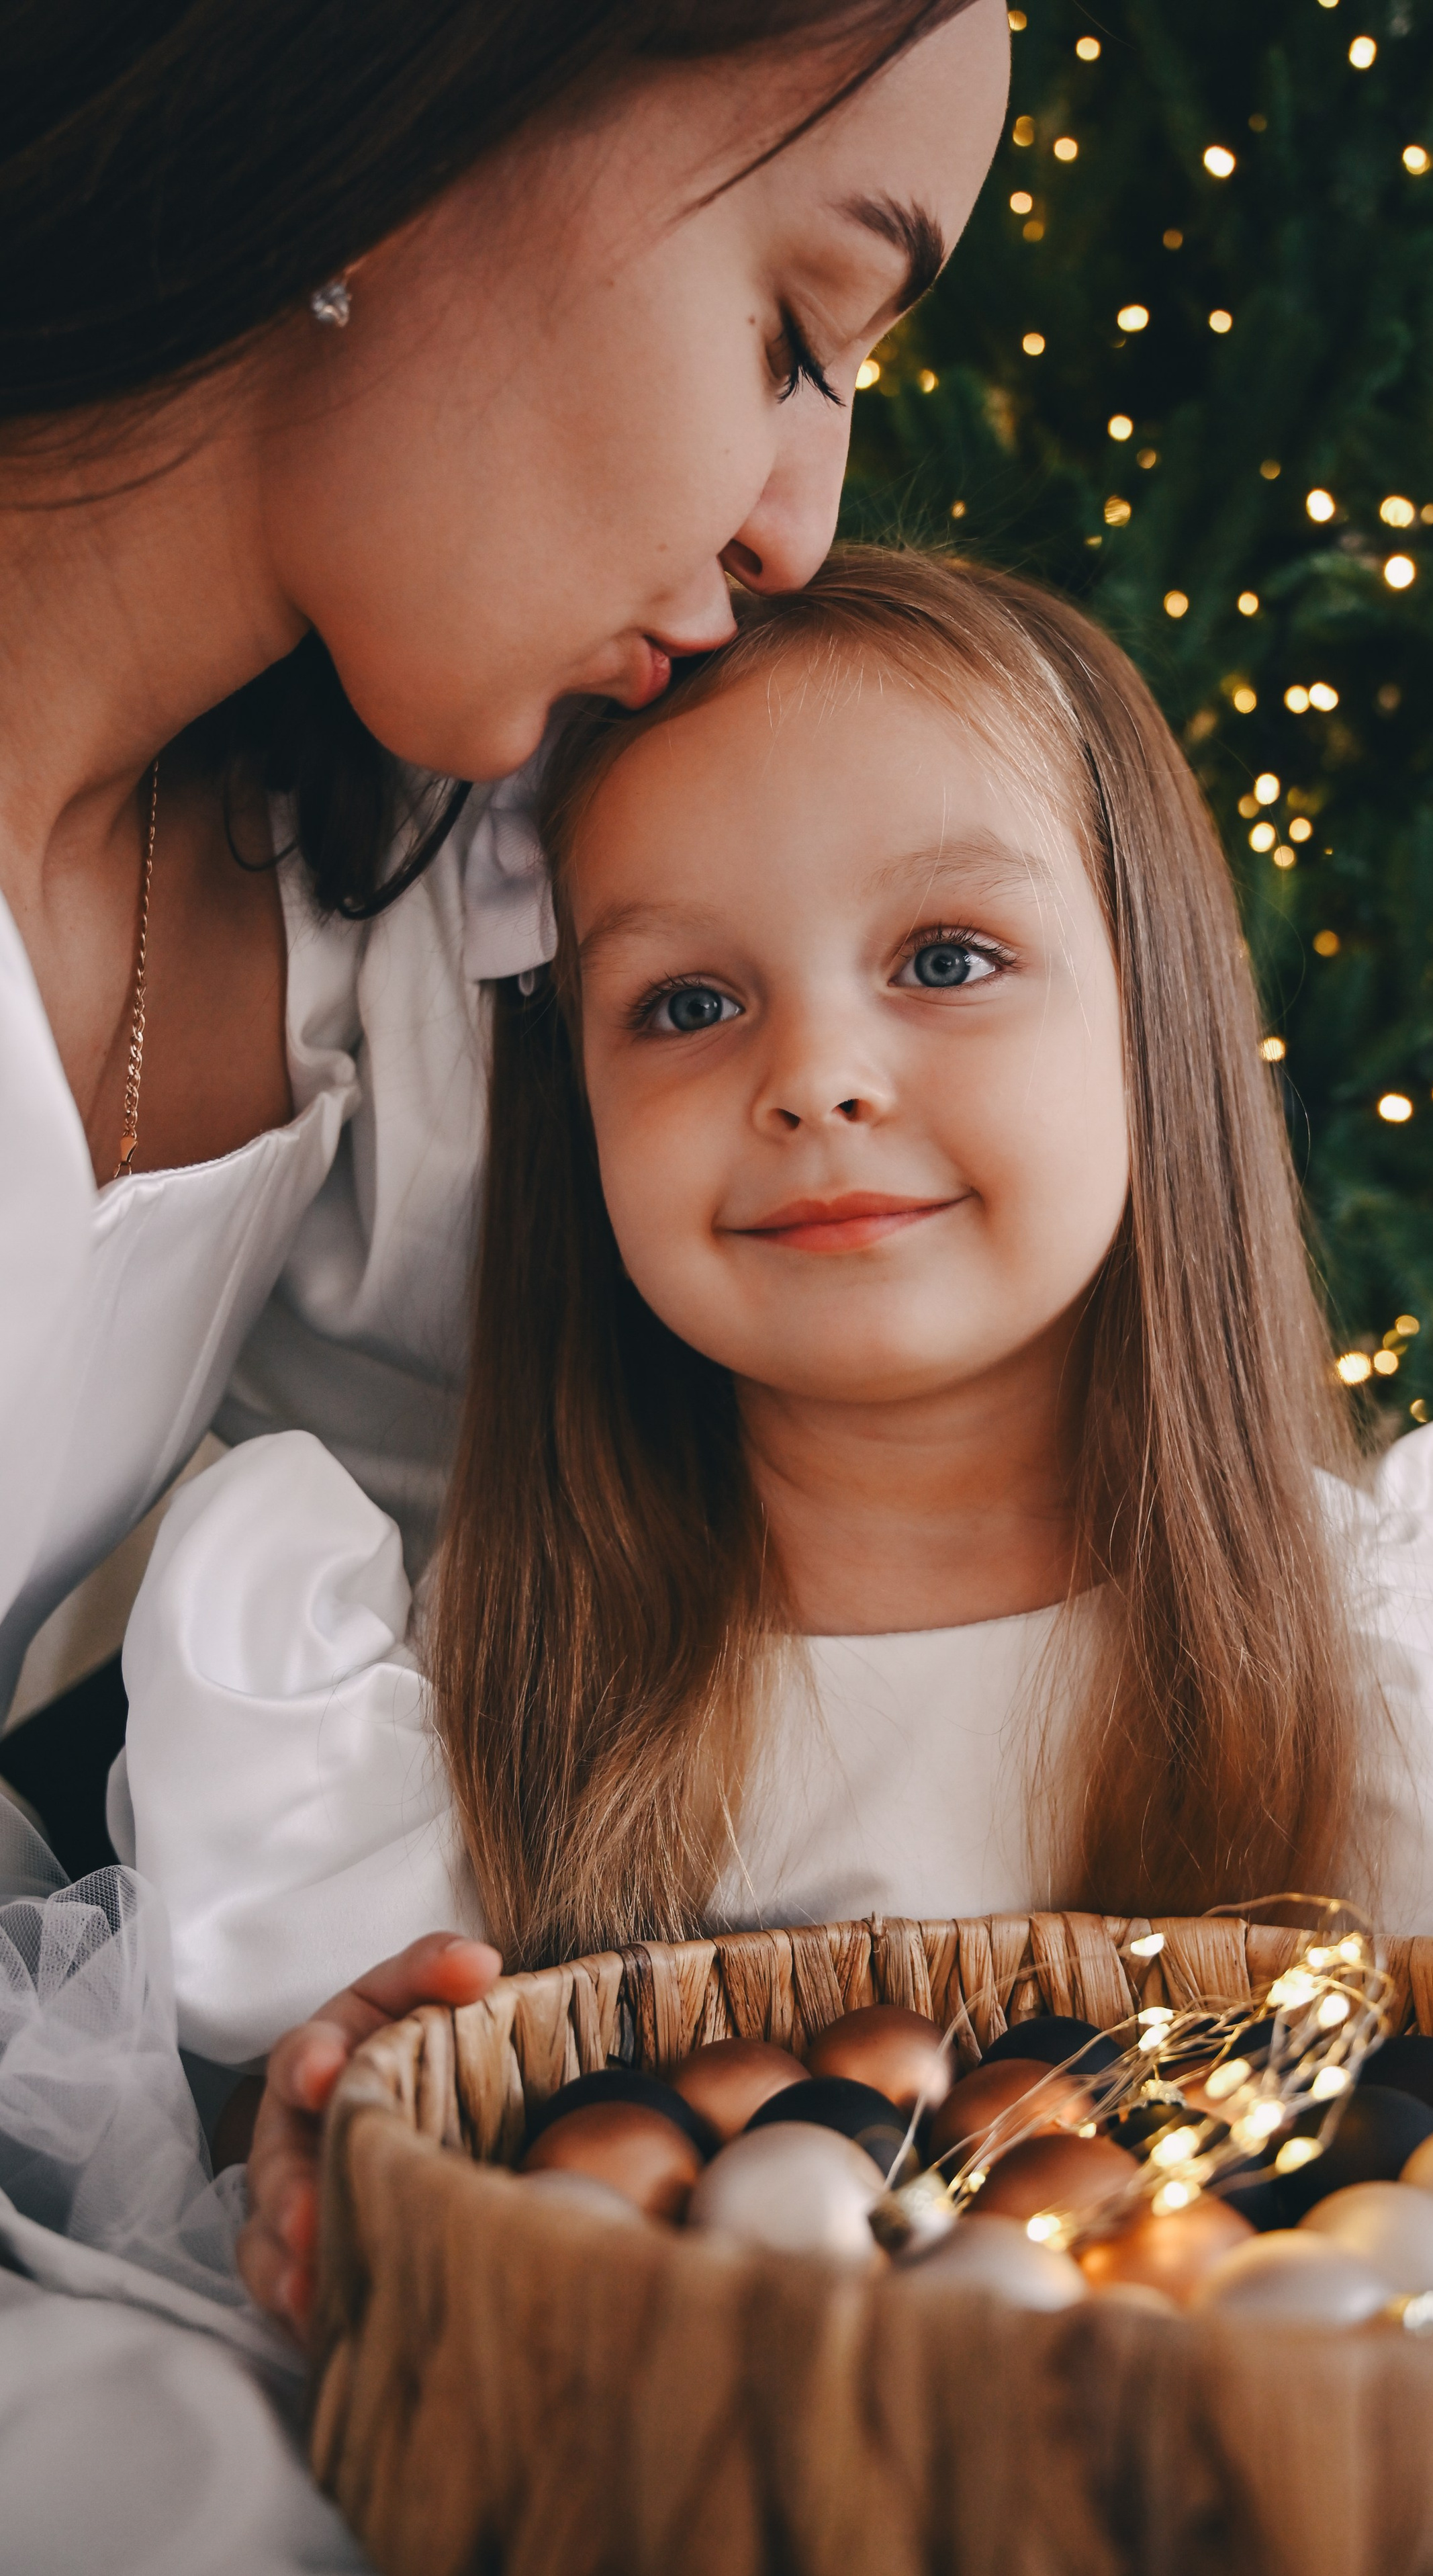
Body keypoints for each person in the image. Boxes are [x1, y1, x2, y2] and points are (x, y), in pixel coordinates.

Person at [121, 548, 1433, 2328]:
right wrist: (327, 2135)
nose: (818, 1075)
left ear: (1155, 1024)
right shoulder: (458, 1713)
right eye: (687, 1001)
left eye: (947, 957)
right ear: (576, 1114)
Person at [0, 0, 1007, 2521]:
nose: (800, 516)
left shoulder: (373, 925)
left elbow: (769, 1569)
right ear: (416, 107)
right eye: (795, 324)